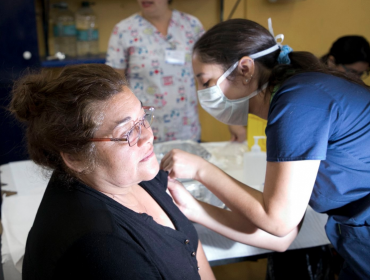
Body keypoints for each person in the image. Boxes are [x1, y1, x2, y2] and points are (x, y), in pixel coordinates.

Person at [160, 18, 370, 280]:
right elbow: (282, 236)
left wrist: (201, 169)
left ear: (245, 68)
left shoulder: (298, 104)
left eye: (206, 82)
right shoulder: (293, 98)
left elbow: (278, 222)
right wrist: (193, 208)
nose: (203, 93)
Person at [9, 64, 215, 280]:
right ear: (75, 157)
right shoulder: (103, 247)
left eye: (143, 118)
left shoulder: (134, 174)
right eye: (127, 132)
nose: (148, 136)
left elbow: (191, 244)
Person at [106, 0, 203, 142]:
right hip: (143, 132)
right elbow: (115, 85)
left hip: (187, 128)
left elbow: (211, 73)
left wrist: (232, 120)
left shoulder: (191, 25)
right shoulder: (124, 30)